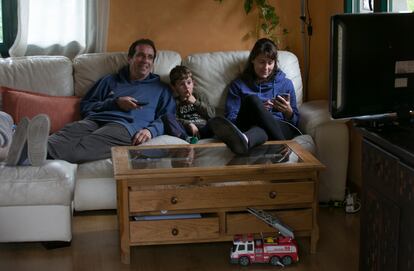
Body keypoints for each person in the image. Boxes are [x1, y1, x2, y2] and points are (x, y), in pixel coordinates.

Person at [6, 38, 176, 166]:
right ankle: (19, 149)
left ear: (153, 62)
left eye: (150, 57)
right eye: (140, 55)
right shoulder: (110, 80)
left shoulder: (161, 88)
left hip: (124, 127)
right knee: (64, 135)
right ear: (130, 58)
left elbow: (168, 117)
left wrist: (150, 130)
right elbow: (86, 106)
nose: (145, 61)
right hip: (94, 120)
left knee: (84, 147)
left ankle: (24, 154)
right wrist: (115, 103)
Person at [209, 38, 301, 155]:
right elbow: (231, 117)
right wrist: (258, 111)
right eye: (262, 62)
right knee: (252, 100)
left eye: (270, 63)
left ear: (275, 63)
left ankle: (245, 140)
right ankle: (282, 144)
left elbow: (296, 123)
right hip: (248, 125)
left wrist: (288, 112)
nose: (266, 67)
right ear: (253, 60)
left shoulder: (285, 83)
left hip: (279, 126)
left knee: (261, 130)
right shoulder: (238, 84)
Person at [162, 65, 215, 143]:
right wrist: (189, 124)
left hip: (204, 128)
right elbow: (175, 119)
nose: (187, 87)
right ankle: (187, 139)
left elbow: (211, 114)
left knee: (217, 121)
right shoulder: (175, 101)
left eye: (189, 83)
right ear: (174, 87)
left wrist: (195, 102)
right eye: (181, 84)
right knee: (167, 117)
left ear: (193, 83)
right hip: (186, 131)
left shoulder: (200, 95)